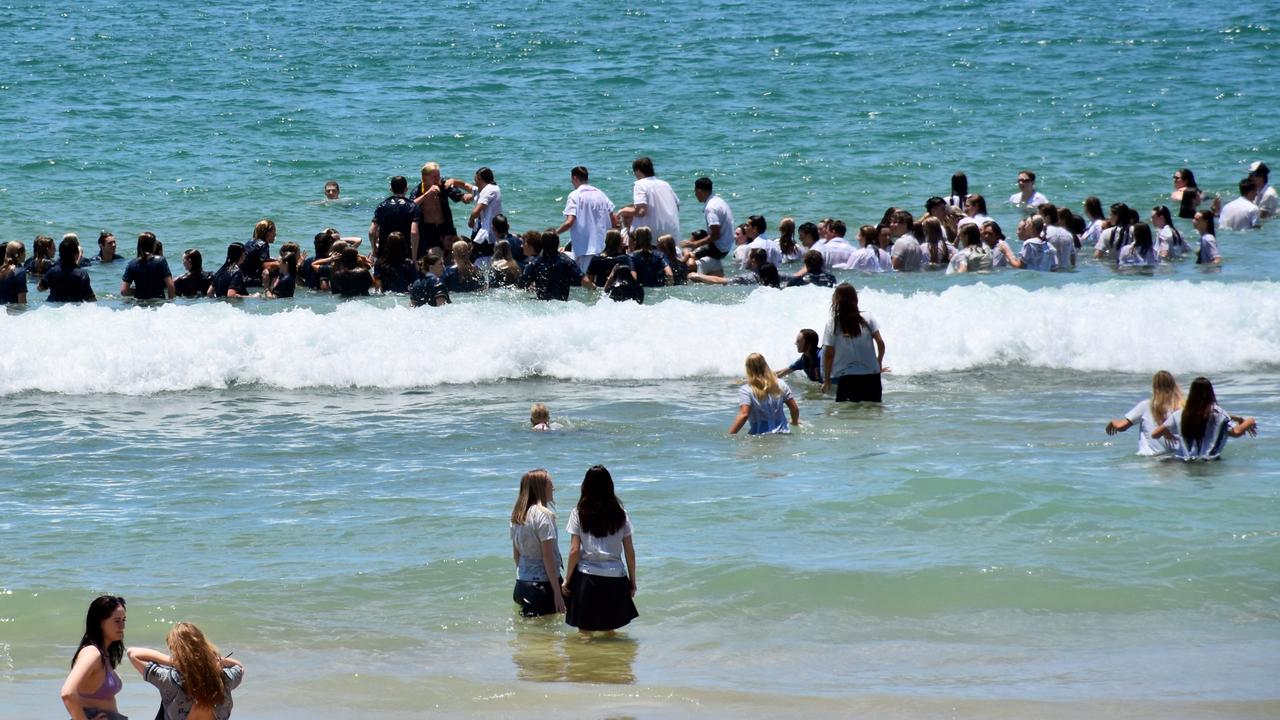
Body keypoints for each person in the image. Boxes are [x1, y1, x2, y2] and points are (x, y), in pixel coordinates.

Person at [562, 465, 638, 634]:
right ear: (610, 486)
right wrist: (632, 581)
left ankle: (585, 660)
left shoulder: (578, 512)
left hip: (587, 577)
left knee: (585, 632)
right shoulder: (621, 514)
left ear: (585, 486)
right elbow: (630, 553)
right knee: (609, 632)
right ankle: (611, 660)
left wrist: (567, 580)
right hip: (615, 578)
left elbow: (574, 550)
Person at [127, 622, 245, 720]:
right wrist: (218, 661)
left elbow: (132, 653)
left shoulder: (170, 680)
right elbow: (239, 668)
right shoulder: (224, 679)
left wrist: (174, 662)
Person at [1153, 377, 1257, 461]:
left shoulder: (1180, 414)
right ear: (1210, 393)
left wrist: (1169, 435)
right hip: (1210, 463)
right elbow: (1236, 432)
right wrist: (1249, 421)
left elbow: (1155, 434)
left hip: (1185, 463)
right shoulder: (1218, 414)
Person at [60, 595, 127, 720]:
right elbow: (67, 693)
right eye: (117, 621)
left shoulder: (104, 655)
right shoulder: (92, 653)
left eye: (124, 620)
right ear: (101, 622)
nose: (122, 626)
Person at [509, 469, 566, 616]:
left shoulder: (517, 516)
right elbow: (548, 558)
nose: (553, 488)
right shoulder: (544, 516)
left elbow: (517, 556)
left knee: (529, 636)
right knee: (548, 637)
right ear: (541, 488)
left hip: (521, 585)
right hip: (542, 587)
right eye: (550, 484)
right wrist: (557, 593)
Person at [821, 283, 886, 403]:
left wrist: (827, 380)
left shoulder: (833, 324)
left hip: (848, 377)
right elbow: (880, 343)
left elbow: (829, 355)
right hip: (872, 375)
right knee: (873, 414)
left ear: (836, 300)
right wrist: (879, 362)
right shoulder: (868, 317)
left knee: (847, 416)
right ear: (855, 298)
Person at [1105, 370, 1184, 456]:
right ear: (1173, 385)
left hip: (1150, 460)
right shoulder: (1180, 408)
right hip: (1174, 458)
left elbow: (1121, 427)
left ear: (1154, 387)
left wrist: (1113, 422)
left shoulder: (1146, 405)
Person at [555, 166, 617, 271]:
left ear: (574, 178)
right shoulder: (601, 194)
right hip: (603, 248)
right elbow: (614, 221)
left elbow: (569, 222)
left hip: (584, 249)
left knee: (585, 282)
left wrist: (554, 233)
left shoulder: (574, 195)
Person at [411, 162, 469, 261]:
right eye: (434, 176)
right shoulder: (418, 190)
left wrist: (466, 196)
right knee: (431, 257)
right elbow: (411, 206)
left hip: (445, 227)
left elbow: (460, 197)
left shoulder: (443, 185)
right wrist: (427, 194)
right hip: (428, 229)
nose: (437, 178)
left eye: (438, 175)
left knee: (452, 255)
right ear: (425, 178)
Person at [730, 353, 800, 435]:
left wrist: (730, 435)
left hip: (760, 437)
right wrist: (795, 423)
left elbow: (744, 415)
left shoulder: (746, 390)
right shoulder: (781, 384)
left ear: (748, 369)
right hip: (783, 434)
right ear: (765, 365)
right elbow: (794, 409)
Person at [518, 232, 593, 301]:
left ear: (542, 244)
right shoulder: (567, 262)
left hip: (541, 304)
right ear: (558, 243)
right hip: (561, 305)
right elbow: (584, 281)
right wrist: (594, 288)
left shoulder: (534, 263)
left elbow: (521, 284)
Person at [682, 177, 734, 263]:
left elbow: (716, 235)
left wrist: (695, 244)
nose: (695, 194)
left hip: (720, 249)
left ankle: (684, 262)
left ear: (699, 191)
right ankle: (687, 249)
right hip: (727, 244)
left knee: (690, 259)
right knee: (699, 233)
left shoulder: (710, 208)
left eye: (695, 191)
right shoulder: (718, 200)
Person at [628, 156, 680, 241]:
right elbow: (676, 206)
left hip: (652, 238)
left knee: (631, 229)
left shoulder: (640, 184)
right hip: (672, 235)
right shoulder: (665, 184)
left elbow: (641, 211)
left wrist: (622, 211)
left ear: (637, 171)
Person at [369, 176, 417, 257]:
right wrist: (414, 257)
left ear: (391, 189)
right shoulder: (412, 206)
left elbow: (372, 231)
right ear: (406, 189)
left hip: (384, 254)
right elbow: (414, 232)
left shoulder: (382, 205)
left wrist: (374, 249)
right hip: (404, 254)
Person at [120, 232, 176, 300]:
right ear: (153, 245)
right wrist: (170, 304)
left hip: (140, 305)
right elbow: (171, 286)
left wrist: (140, 292)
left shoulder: (132, 264)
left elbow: (124, 291)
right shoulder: (160, 261)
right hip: (159, 305)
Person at [41, 234, 96, 302]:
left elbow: (40, 288)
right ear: (76, 255)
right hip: (73, 307)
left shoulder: (52, 271)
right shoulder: (82, 274)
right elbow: (90, 299)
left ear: (60, 254)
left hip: (53, 306)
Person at [459, 166, 503, 241]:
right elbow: (466, 186)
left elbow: (476, 211)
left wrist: (471, 220)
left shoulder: (488, 189)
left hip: (487, 232)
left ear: (481, 180)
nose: (475, 183)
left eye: (476, 180)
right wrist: (452, 181)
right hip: (490, 230)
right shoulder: (493, 188)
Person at [1038, 204, 1076, 270]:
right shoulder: (1068, 234)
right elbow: (1073, 258)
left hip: (1050, 272)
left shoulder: (1044, 233)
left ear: (1047, 218)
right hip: (1066, 272)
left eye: (1041, 217)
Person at [241, 220, 274, 286]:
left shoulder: (250, 241)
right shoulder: (263, 244)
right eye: (274, 231)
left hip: (242, 277)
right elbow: (265, 265)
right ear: (267, 232)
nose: (275, 234)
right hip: (251, 280)